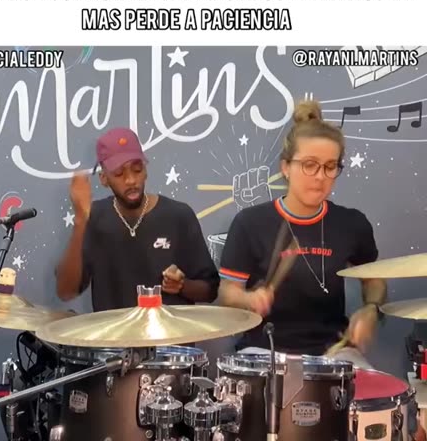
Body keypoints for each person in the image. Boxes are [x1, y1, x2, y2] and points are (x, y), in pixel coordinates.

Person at [218, 99, 386, 358]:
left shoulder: (352, 224)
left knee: (367, 382)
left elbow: (374, 280)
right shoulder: (250, 222)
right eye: (309, 164)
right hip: (264, 351)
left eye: (330, 166)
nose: (320, 176)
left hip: (332, 354)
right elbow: (228, 292)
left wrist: (371, 308)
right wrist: (248, 300)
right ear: (286, 167)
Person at [55, 127, 219, 311]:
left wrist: (182, 286)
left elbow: (210, 290)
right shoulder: (94, 217)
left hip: (169, 330)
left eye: (137, 169)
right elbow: (66, 291)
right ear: (104, 179)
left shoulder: (178, 215)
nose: (131, 180)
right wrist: (80, 220)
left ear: (145, 171)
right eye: (119, 174)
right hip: (115, 330)